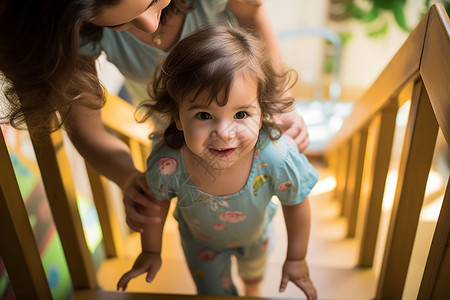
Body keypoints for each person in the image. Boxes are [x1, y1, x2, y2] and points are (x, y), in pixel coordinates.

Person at [0, 0, 309, 233]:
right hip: (176, 146)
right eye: (122, 24)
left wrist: (279, 103)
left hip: (246, 152)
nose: (150, 24)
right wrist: (127, 177)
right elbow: (85, 127)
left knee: (255, 224)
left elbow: (252, 13)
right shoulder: (80, 33)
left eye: (151, 2)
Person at [116, 25, 318, 299]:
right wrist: (151, 250)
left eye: (242, 114)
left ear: (262, 110)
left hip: (256, 238)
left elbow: (295, 201)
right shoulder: (169, 163)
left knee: (253, 274)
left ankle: (252, 288)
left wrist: (296, 258)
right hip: (200, 247)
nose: (224, 132)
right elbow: (156, 202)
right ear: (177, 117)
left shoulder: (275, 156)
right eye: (204, 116)